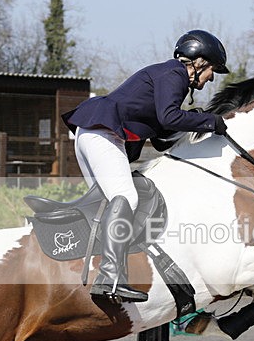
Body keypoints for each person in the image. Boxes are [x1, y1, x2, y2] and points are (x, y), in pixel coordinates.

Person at [61, 30, 229, 302]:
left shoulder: (167, 76)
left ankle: (94, 267)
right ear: (199, 62)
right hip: (102, 133)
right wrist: (211, 121)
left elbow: (162, 136)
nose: (211, 78)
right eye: (212, 70)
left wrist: (194, 124)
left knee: (108, 204)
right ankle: (109, 277)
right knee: (126, 197)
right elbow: (170, 117)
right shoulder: (175, 74)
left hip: (90, 132)